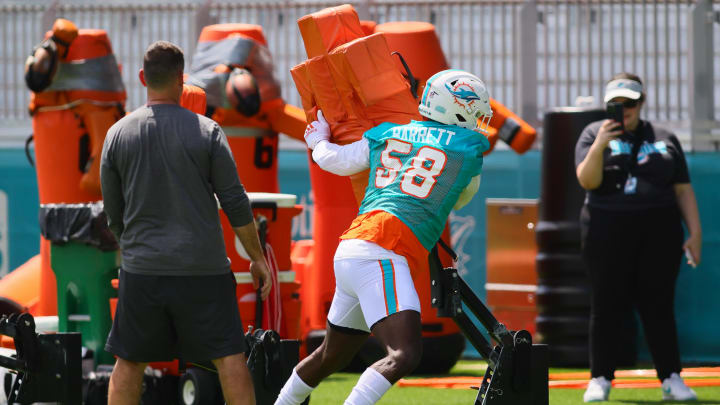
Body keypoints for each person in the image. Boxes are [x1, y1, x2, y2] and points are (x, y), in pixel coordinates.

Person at [274, 69, 492, 405]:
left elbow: (333, 159)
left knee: (330, 356)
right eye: (475, 113)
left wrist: (317, 137)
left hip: (353, 247)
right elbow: (460, 197)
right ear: (457, 109)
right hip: (383, 251)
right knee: (403, 354)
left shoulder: (388, 133)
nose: (478, 122)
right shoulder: (467, 149)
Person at [100, 41, 272, 405]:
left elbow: (113, 213)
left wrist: (131, 248)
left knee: (129, 362)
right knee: (229, 356)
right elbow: (235, 202)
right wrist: (257, 258)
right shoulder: (208, 131)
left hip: (143, 269)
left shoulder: (117, 134)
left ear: (143, 77)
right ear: (182, 79)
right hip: (203, 270)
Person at [575, 73, 702, 402]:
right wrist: (601, 144)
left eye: (629, 103)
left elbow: (683, 188)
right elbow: (587, 181)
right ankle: (600, 377)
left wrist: (695, 232)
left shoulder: (664, 136)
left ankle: (671, 377)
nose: (624, 110)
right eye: (616, 104)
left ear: (641, 102)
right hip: (606, 227)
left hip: (658, 229)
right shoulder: (592, 134)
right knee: (606, 305)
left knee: (658, 305)